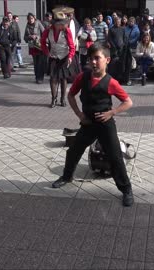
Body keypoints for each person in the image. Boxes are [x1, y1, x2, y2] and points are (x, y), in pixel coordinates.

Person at [51, 44, 134, 207]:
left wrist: (112, 112)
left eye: (97, 58)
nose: (93, 62)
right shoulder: (83, 77)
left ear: (107, 60)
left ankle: (126, 190)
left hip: (105, 124)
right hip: (88, 123)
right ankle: (67, 177)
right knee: (73, 151)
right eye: (91, 59)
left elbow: (128, 102)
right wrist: (80, 115)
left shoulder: (111, 82)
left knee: (115, 157)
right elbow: (71, 95)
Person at [40, 8, 76, 108]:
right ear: (55, 23)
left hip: (64, 56)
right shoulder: (48, 30)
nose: (63, 25)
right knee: (53, 78)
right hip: (53, 55)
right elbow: (42, 42)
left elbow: (72, 46)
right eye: (61, 23)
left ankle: (63, 99)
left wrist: (70, 57)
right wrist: (47, 52)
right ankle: (53, 98)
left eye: (63, 23)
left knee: (63, 78)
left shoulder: (67, 31)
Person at [24, 13, 46, 83]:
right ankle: (37, 77)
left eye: (32, 18)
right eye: (29, 19)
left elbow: (45, 33)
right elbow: (25, 37)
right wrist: (30, 37)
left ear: (34, 18)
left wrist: (38, 37)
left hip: (39, 46)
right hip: (32, 46)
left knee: (40, 62)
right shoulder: (27, 26)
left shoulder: (38, 23)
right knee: (36, 63)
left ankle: (40, 77)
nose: (30, 20)